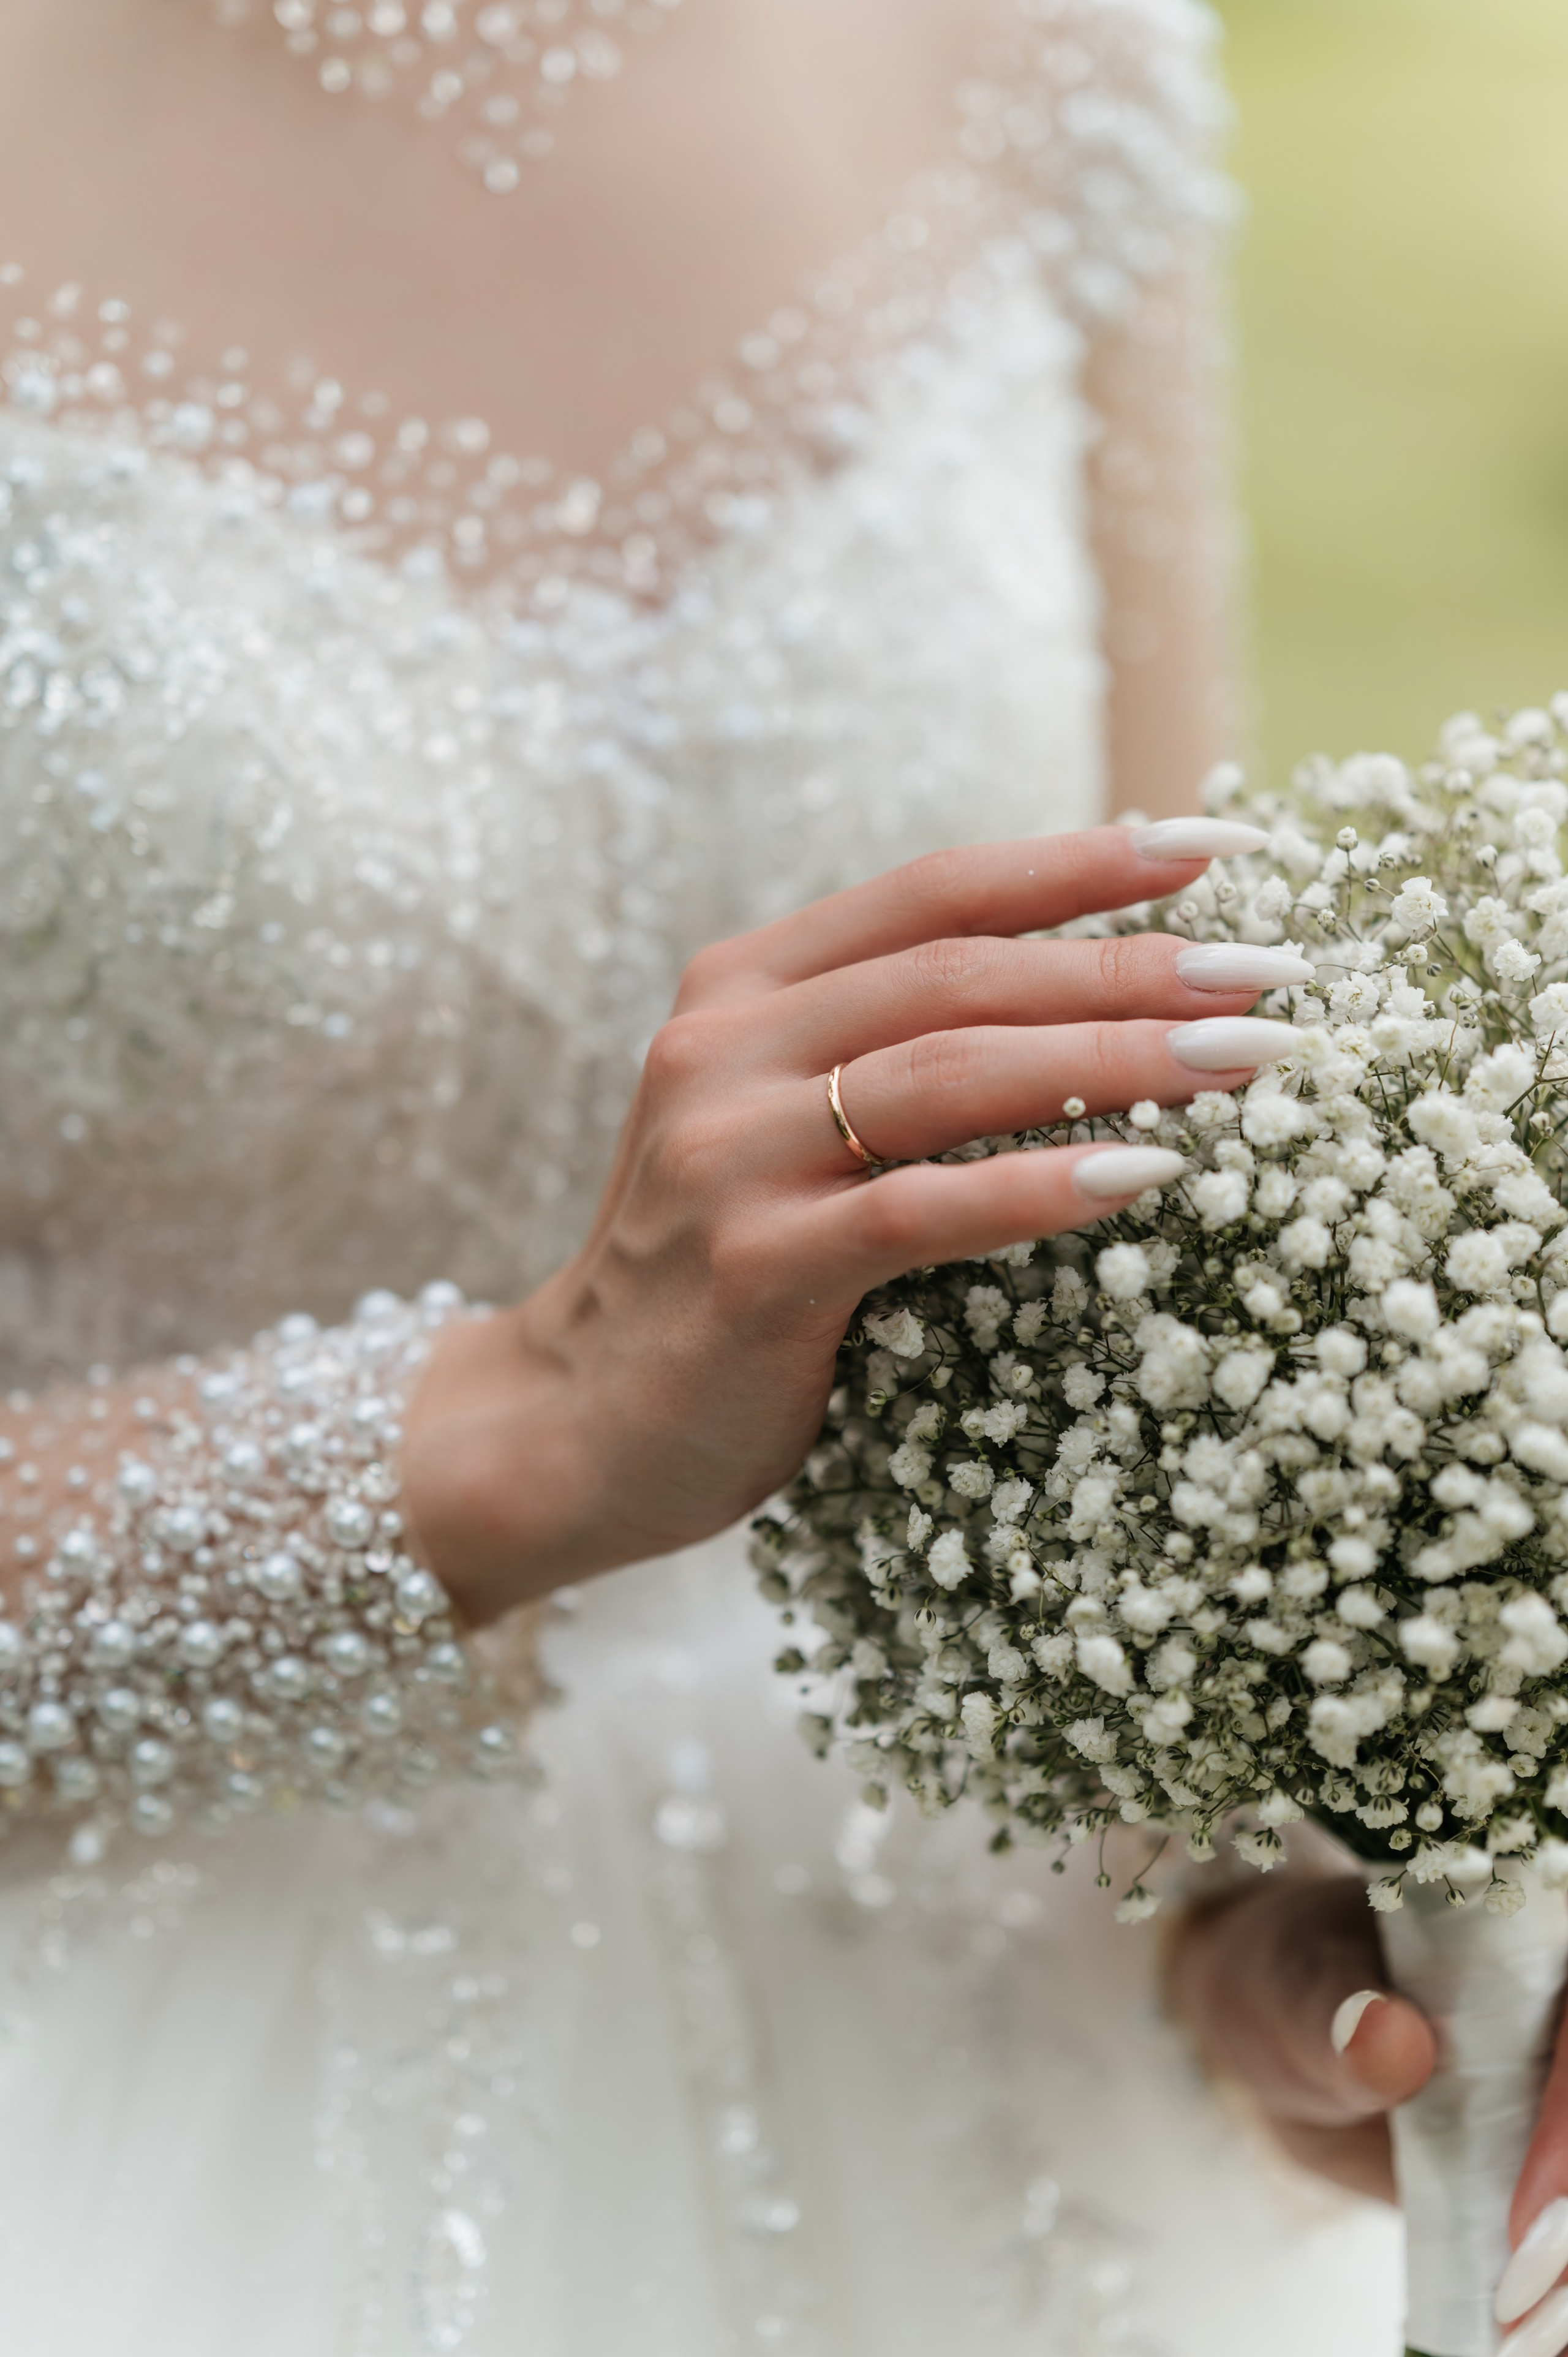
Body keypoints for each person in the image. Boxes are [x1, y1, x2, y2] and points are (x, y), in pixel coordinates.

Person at [0, 3, 1554, 2352]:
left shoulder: (1050, 45)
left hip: (995, 2088)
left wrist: (1247, 1893)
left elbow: (1147, 1116)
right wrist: (504, 1432)